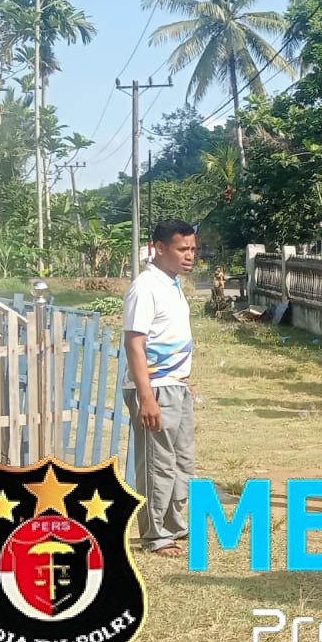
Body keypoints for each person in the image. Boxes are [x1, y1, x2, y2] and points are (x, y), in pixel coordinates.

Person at [123, 219, 200, 558]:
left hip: (174, 385)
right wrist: (147, 396)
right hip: (154, 388)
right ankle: (155, 535)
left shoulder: (172, 283)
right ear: (160, 248)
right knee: (158, 462)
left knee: (182, 460)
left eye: (193, 249)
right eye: (183, 249)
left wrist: (182, 378)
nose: (190, 256)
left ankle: (174, 526)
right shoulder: (145, 286)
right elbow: (135, 344)